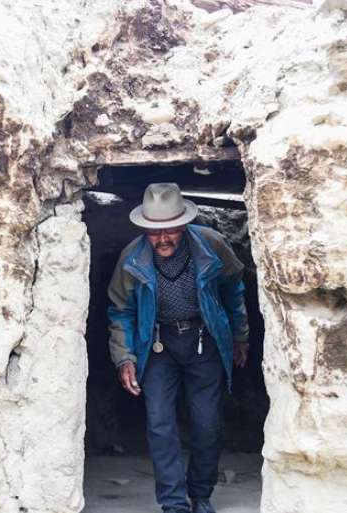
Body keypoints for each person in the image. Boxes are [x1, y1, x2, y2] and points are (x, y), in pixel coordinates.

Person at [107, 182, 250, 513]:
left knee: (208, 422)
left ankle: (200, 494)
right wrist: (124, 358)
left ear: (184, 224)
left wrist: (239, 335)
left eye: (169, 229)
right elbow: (121, 311)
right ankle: (173, 503)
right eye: (153, 231)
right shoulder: (131, 257)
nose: (162, 239)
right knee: (160, 423)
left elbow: (233, 289)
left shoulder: (211, 245)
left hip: (204, 339)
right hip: (157, 344)